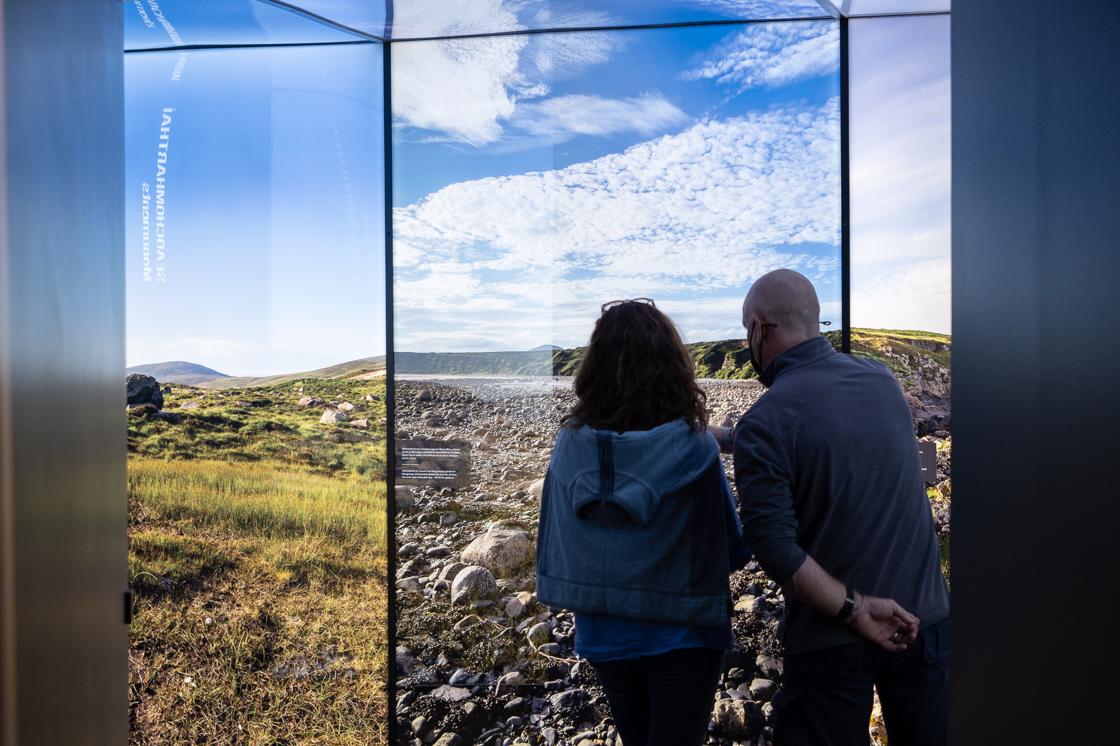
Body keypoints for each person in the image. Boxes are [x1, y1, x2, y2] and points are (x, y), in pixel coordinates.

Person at [710, 269, 950, 746]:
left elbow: (772, 544)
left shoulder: (768, 420)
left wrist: (855, 609)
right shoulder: (882, 381)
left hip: (832, 642)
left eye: (745, 332)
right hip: (926, 621)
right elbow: (835, 438)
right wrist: (735, 440)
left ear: (758, 328)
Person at [536, 298, 751, 746]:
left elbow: (556, 538)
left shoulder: (567, 447)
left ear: (593, 368)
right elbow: (731, 549)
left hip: (603, 634)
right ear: (673, 366)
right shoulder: (695, 448)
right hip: (686, 634)